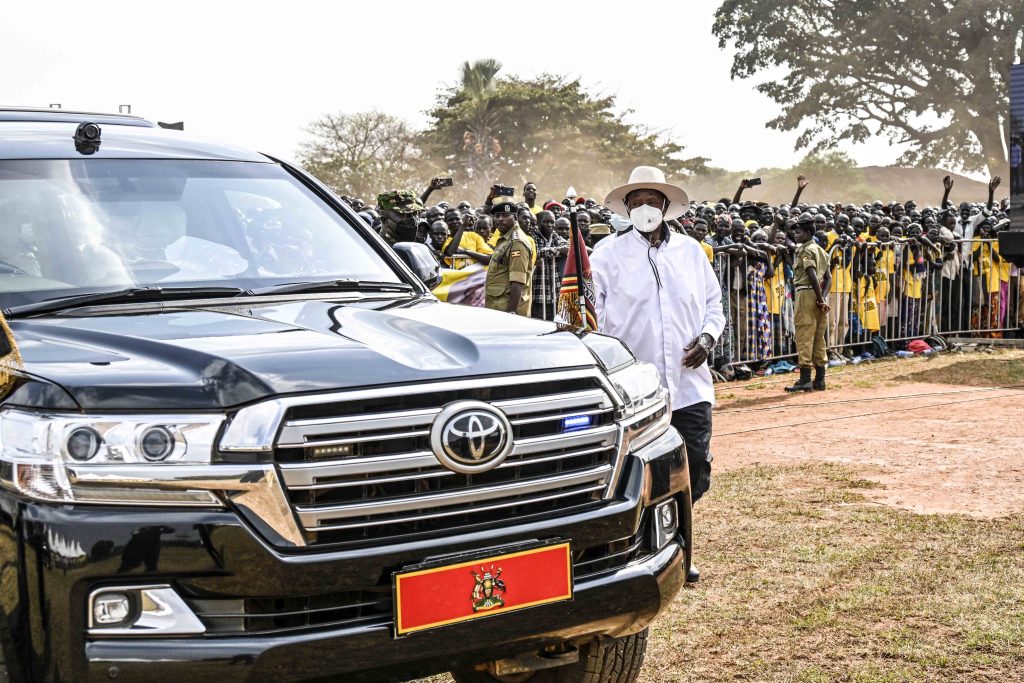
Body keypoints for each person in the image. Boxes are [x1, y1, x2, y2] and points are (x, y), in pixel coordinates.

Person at [592, 166, 724, 584]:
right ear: (626, 208)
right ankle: (656, 551)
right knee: (638, 474)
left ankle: (677, 542)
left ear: (666, 207)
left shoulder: (690, 252)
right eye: (636, 201)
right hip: (634, 390)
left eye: (652, 201)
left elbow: (713, 306)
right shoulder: (606, 254)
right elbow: (588, 314)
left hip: (689, 386)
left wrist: (707, 338)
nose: (645, 208)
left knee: (695, 467)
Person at [786, 215, 831, 392]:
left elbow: (811, 273)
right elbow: (828, 278)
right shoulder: (821, 250)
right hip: (818, 295)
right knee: (819, 339)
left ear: (808, 233)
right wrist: (822, 298)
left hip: (806, 293)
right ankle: (820, 380)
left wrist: (819, 299)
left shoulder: (806, 250)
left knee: (804, 335)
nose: (796, 235)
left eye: (799, 233)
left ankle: (805, 379)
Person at [485, 200, 534, 316]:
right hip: (497, 307)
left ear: (515, 218)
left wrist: (510, 315)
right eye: (497, 216)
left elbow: (517, 283)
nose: (500, 219)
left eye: (505, 215)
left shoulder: (516, 242)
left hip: (506, 311)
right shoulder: (505, 239)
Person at [531, 210, 568, 320]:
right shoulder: (533, 235)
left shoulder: (554, 235)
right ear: (538, 222)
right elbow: (535, 253)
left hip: (554, 293)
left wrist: (552, 250)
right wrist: (557, 250)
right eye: (546, 222)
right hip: (537, 292)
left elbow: (566, 247)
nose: (549, 225)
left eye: (552, 222)